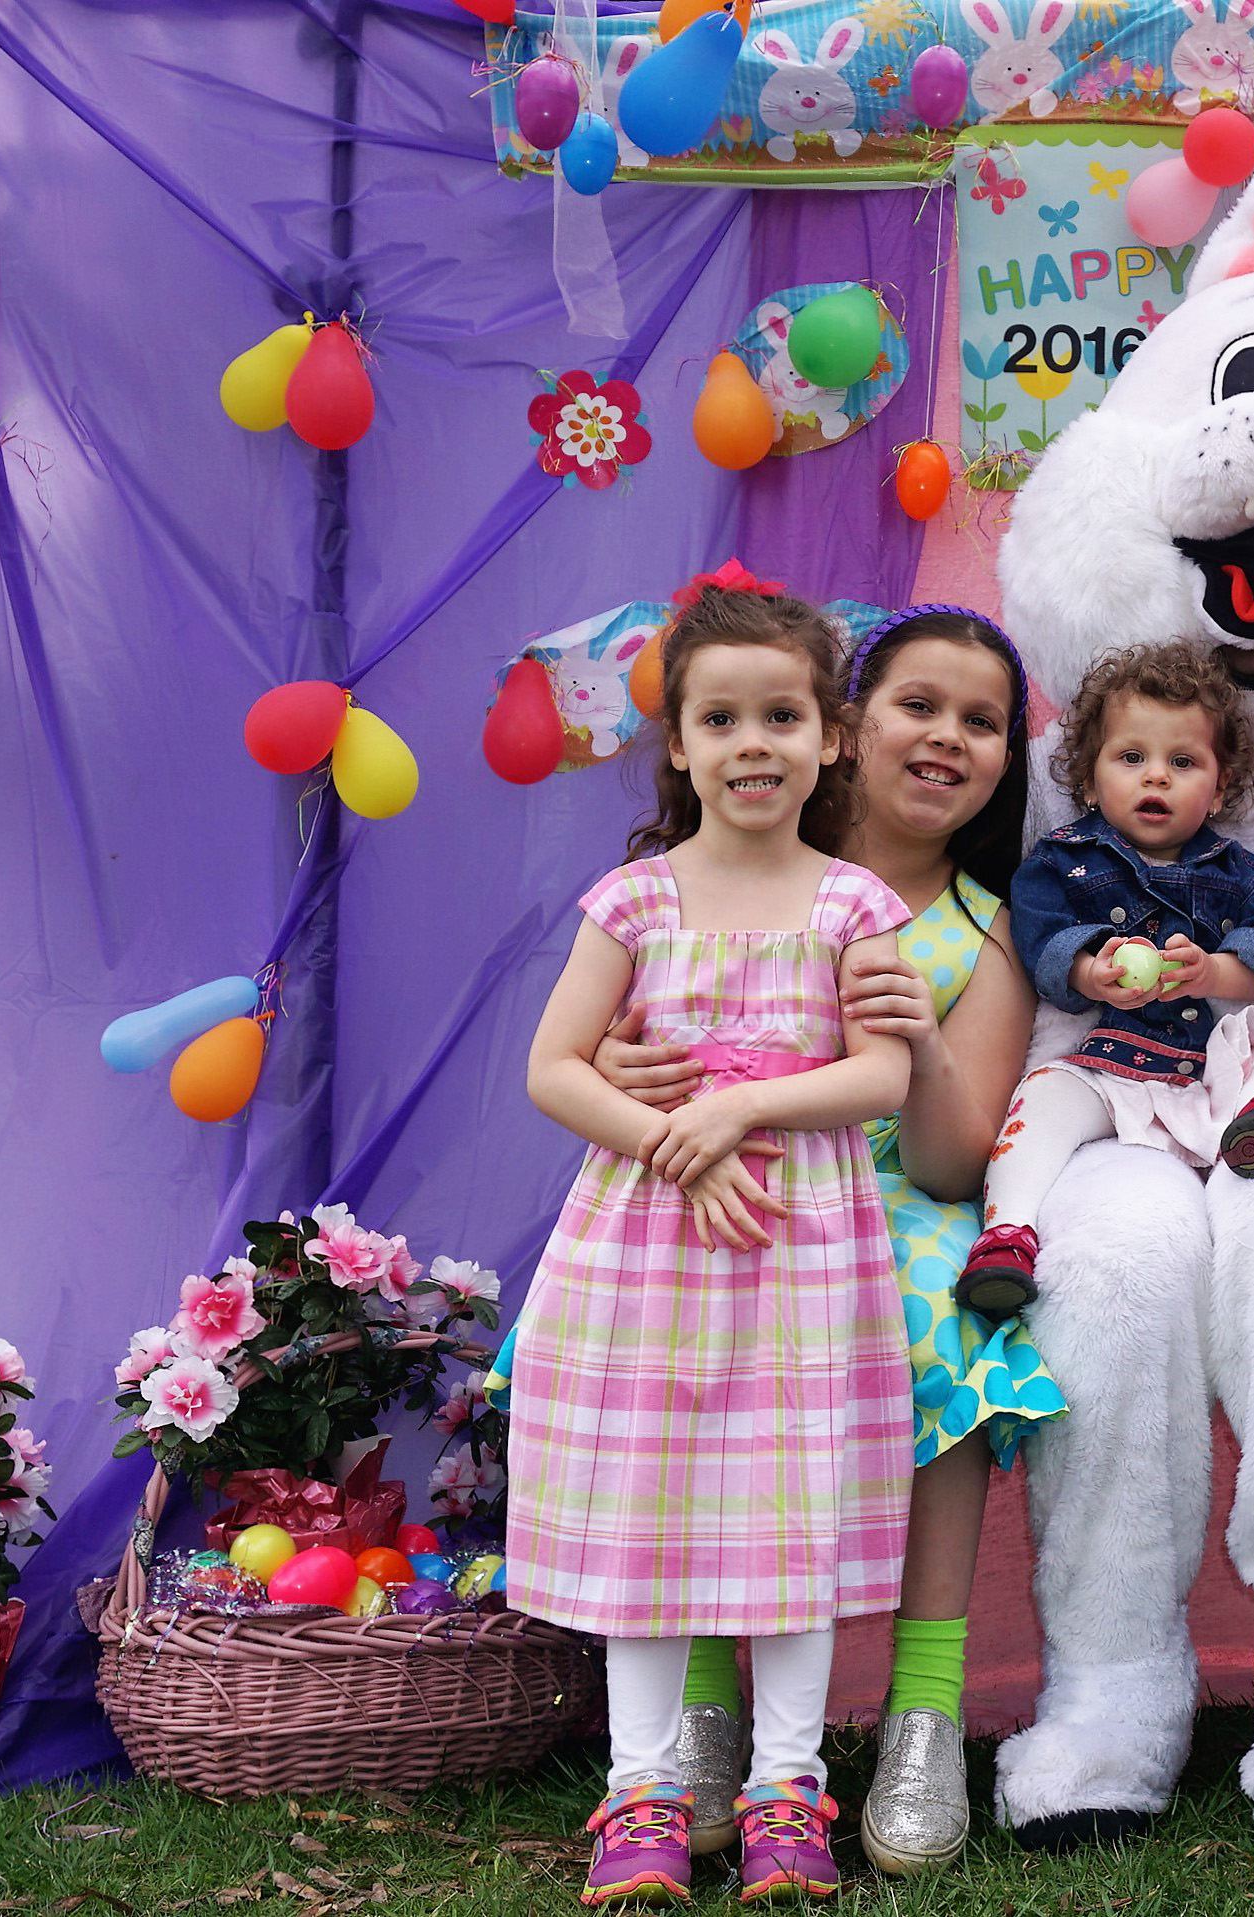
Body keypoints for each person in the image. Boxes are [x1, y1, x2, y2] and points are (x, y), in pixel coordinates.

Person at [590, 605, 1064, 1875]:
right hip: (708, 1175)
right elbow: (605, 1042)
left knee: (940, 1309)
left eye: (982, 723)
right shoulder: (723, 866)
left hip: (888, 1197)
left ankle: (923, 1708)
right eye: (920, 705)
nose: (948, 737)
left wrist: (916, 1037)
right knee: (695, 1329)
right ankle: (703, 1701)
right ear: (847, 729)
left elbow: (953, 1164)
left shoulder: (986, 927)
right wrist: (631, 1075)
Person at [507, 565, 916, 1907]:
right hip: (646, 1254)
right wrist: (665, 1142)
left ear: (831, 738)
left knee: (789, 1522)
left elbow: (881, 1076)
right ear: (677, 745)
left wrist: (738, 1109)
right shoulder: (634, 903)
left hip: (800, 1255)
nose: (754, 744)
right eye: (721, 720)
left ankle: (789, 1794)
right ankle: (643, 1796)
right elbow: (555, 1068)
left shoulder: (853, 906)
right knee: (650, 1519)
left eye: (782, 718)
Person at [954, 643, 1254, 1317]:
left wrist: (1212, 970)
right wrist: (1092, 971)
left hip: (1214, 1067)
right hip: (1108, 1064)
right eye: (1131, 758)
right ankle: (1007, 1234)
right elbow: (1040, 941)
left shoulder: (1243, 874)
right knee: (1040, 1100)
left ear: (1219, 786)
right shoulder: (1061, 862)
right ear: (1089, 781)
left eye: (1183, 762)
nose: (1156, 776)